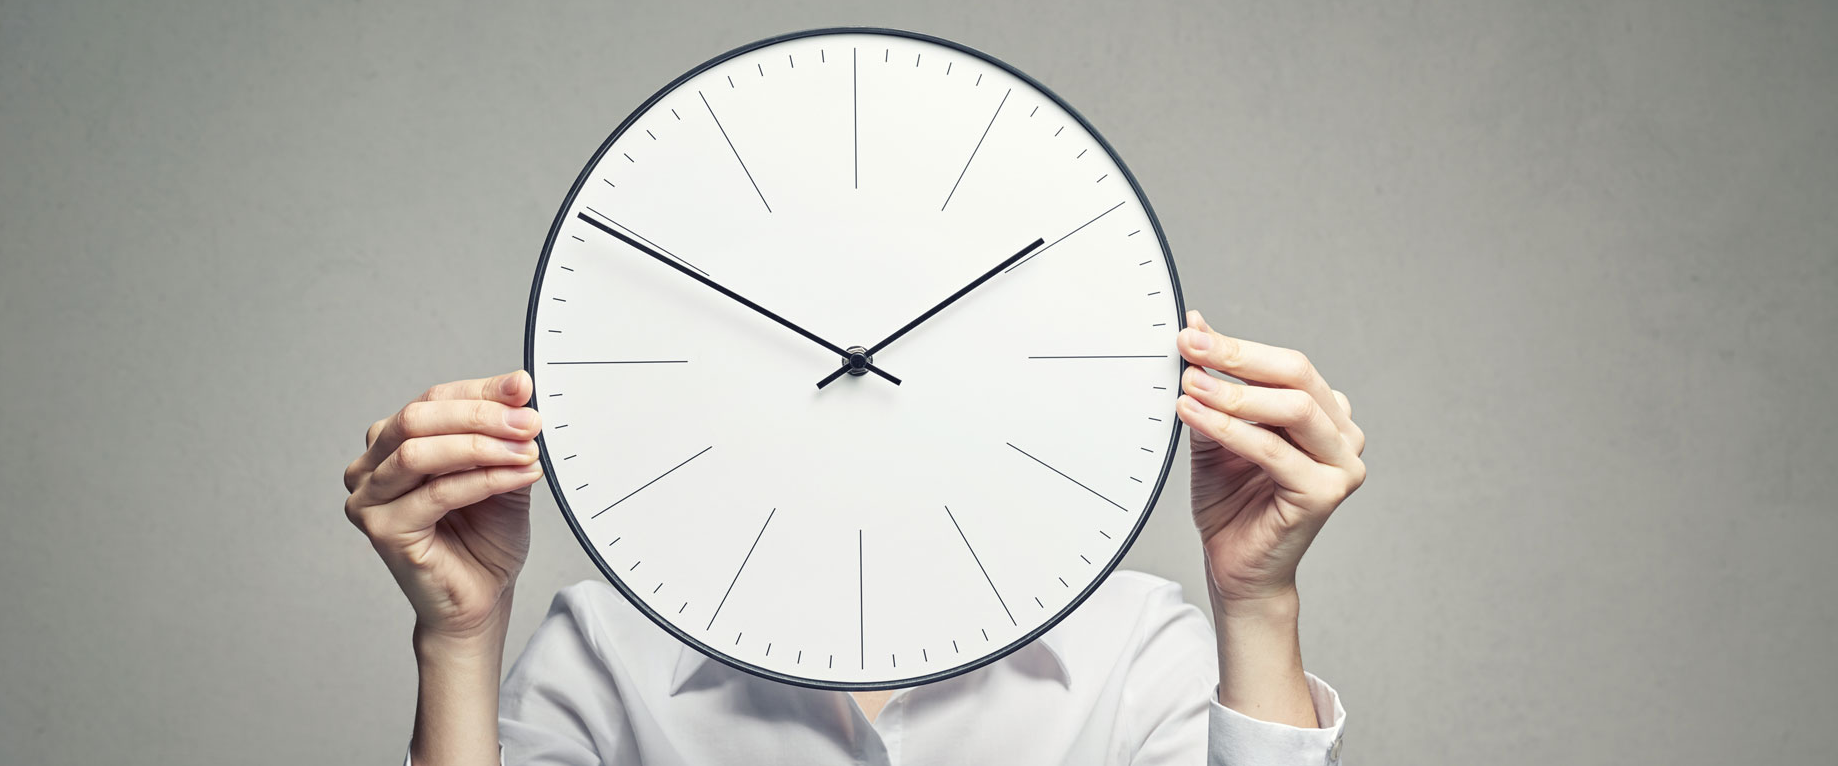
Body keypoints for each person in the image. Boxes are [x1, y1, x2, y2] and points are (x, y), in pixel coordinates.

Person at [344, 311, 1367, 765]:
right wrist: (459, 643)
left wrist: (1258, 603)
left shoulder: (1140, 650)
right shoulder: (609, 647)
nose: (862, 379)